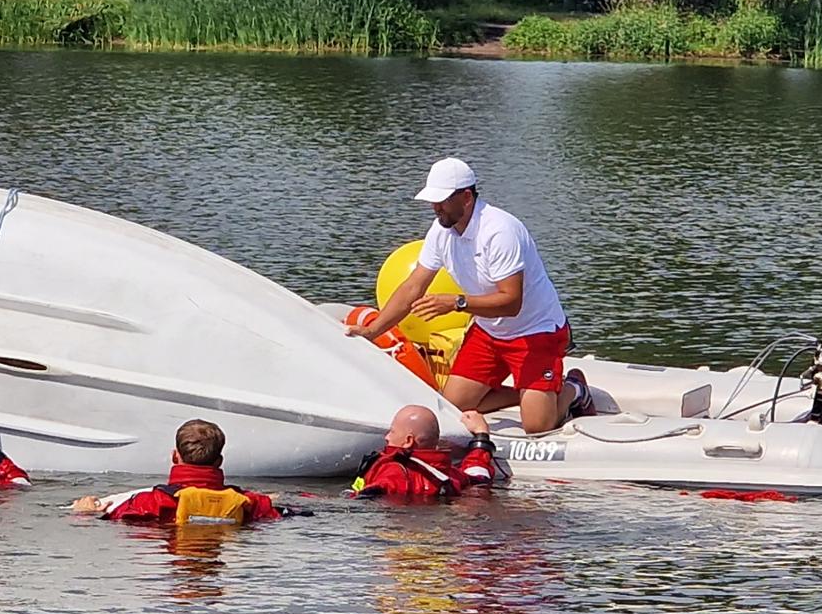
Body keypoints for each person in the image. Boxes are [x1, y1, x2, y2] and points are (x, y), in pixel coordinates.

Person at [348, 157, 593, 434]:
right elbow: (412, 288)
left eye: (442, 201)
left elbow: (511, 303)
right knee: (452, 407)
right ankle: (529, 395)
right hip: (489, 331)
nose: (435, 207)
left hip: (535, 331)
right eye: (432, 200)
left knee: (537, 427)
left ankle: (573, 388)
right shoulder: (440, 231)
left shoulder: (500, 231)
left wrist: (457, 303)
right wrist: (372, 331)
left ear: (466, 197)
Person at [70, 420, 294, 523]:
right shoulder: (249, 503)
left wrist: (84, 513)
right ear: (219, 462)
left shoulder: (147, 503)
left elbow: (111, 518)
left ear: (175, 457)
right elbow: (276, 513)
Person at [348, 405, 510, 498]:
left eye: (392, 431)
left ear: (408, 441)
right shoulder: (448, 475)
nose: (387, 437)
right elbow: (479, 476)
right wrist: (481, 435)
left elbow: (373, 493)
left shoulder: (394, 472)